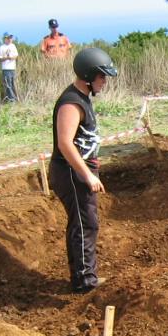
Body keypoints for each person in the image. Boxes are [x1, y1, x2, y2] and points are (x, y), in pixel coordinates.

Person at [49, 47, 117, 293]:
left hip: (78, 171)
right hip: (71, 173)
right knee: (85, 224)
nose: (105, 82)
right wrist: (86, 175)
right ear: (89, 76)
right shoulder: (71, 102)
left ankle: (83, 276)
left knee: (82, 222)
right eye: (102, 77)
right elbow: (65, 143)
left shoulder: (82, 98)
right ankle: (85, 283)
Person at [0, 32, 19, 102]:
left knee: (12, 84)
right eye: (8, 38)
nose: (10, 39)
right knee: (8, 84)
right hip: (6, 68)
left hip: (12, 68)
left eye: (11, 38)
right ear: (5, 39)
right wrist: (6, 58)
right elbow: (0, 58)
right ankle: (11, 99)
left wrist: (12, 58)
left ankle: (14, 98)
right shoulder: (2, 47)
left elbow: (16, 55)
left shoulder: (13, 46)